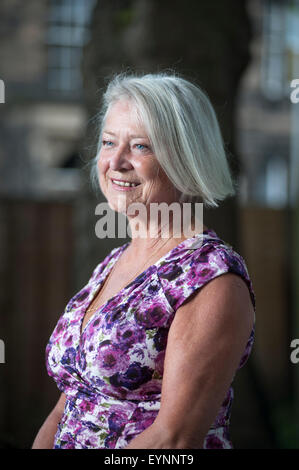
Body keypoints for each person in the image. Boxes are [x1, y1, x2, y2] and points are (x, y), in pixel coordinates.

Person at [32, 72, 255, 449]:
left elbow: (175, 440)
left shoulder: (212, 279)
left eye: (140, 146)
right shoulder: (113, 263)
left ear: (187, 157)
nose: (116, 161)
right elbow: (68, 402)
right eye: (108, 142)